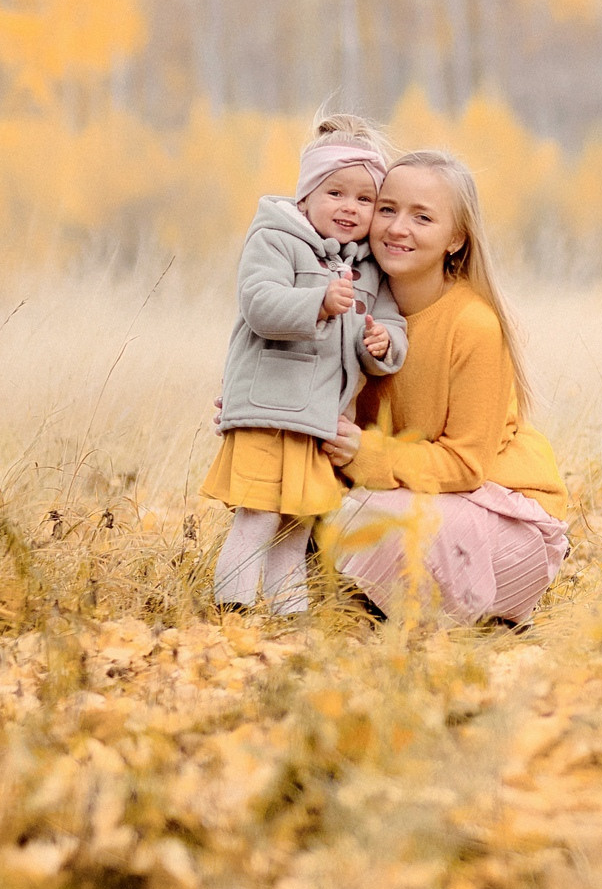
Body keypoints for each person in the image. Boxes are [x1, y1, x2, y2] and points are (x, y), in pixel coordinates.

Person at [320, 149, 568, 623]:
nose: (396, 228)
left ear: (455, 239)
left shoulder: (472, 324)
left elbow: (466, 465)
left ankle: (459, 622)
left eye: (422, 217)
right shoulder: (349, 306)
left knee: (378, 520)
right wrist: (264, 409)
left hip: (501, 512)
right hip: (400, 488)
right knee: (292, 497)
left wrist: (364, 455)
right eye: (388, 209)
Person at [201, 115, 408, 612]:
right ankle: (233, 613)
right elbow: (258, 302)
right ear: (306, 196)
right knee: (258, 518)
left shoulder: (367, 267)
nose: (350, 208)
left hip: (318, 421)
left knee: (297, 525)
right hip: (270, 411)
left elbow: (387, 320)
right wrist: (316, 302)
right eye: (336, 193)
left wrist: (381, 345)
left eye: (365, 200)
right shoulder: (276, 238)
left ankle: (287, 616)